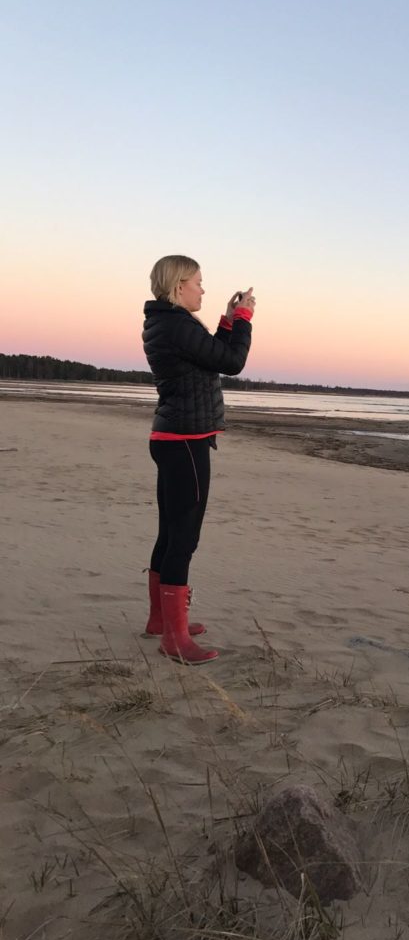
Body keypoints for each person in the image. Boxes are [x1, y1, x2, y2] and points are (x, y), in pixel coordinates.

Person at [142, 255, 255, 664]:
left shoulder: (169, 324)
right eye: (198, 282)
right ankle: (174, 639)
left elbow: (212, 356)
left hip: (174, 437)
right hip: (184, 441)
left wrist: (227, 321)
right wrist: (243, 318)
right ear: (178, 288)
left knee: (170, 534)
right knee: (183, 538)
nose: (203, 289)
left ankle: (162, 621)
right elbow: (232, 362)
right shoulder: (176, 325)